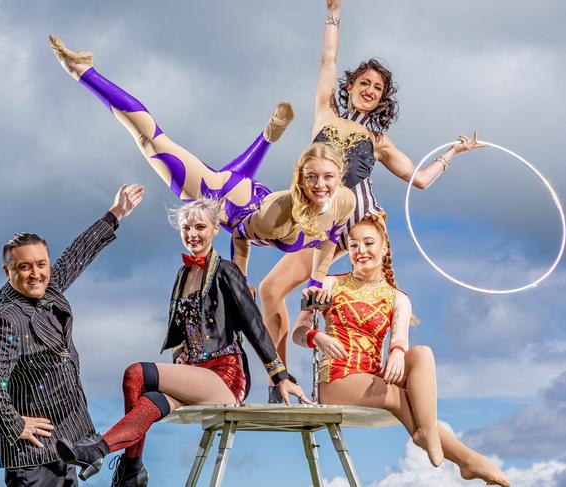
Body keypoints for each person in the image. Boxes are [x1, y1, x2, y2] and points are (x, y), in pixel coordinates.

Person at [258, 0, 482, 399]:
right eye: (364, 82)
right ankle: (281, 379)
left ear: (381, 100)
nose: (369, 90)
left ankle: (367, 353)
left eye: (377, 88)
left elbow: (420, 180)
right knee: (270, 290)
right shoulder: (325, 114)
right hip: (314, 221)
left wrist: (452, 155)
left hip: (354, 226)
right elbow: (328, 59)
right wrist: (334, 13)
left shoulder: (378, 142)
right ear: (350, 86)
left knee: (314, 291)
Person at [49, 36, 356, 292]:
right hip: (219, 195)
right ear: (300, 179)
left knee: (226, 171)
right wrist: (240, 281)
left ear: (339, 177)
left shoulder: (344, 200)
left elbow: (328, 240)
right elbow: (240, 235)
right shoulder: (276, 214)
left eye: (329, 178)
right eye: (313, 178)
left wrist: (317, 280)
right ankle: (83, 70)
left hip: (244, 186)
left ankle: (267, 136)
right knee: (151, 141)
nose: (321, 185)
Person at [55, 198, 309, 486]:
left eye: (200, 227)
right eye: (186, 228)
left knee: (135, 372)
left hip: (225, 376)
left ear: (214, 230)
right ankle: (129, 471)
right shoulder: (183, 274)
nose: (193, 234)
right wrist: (179, 355)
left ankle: (114, 458)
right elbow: (180, 329)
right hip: (195, 375)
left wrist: (280, 375)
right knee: (149, 402)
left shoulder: (226, 271)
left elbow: (254, 325)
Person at [292, 214, 510, 486]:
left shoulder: (399, 299)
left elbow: (400, 340)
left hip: (373, 376)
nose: (361, 251)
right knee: (398, 396)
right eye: (353, 245)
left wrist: (396, 351)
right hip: (337, 378)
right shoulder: (329, 285)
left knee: (423, 354)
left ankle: (430, 433)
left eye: (368, 243)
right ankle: (462, 456)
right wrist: (317, 337)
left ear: (384, 248)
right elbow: (297, 335)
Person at [0, 184, 145, 486]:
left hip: (64, 445)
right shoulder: (8, 318)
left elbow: (77, 255)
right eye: (24, 267)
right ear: (7, 272)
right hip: (34, 458)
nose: (35, 273)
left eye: (41, 264)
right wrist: (14, 425)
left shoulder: (48, 288)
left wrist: (116, 213)